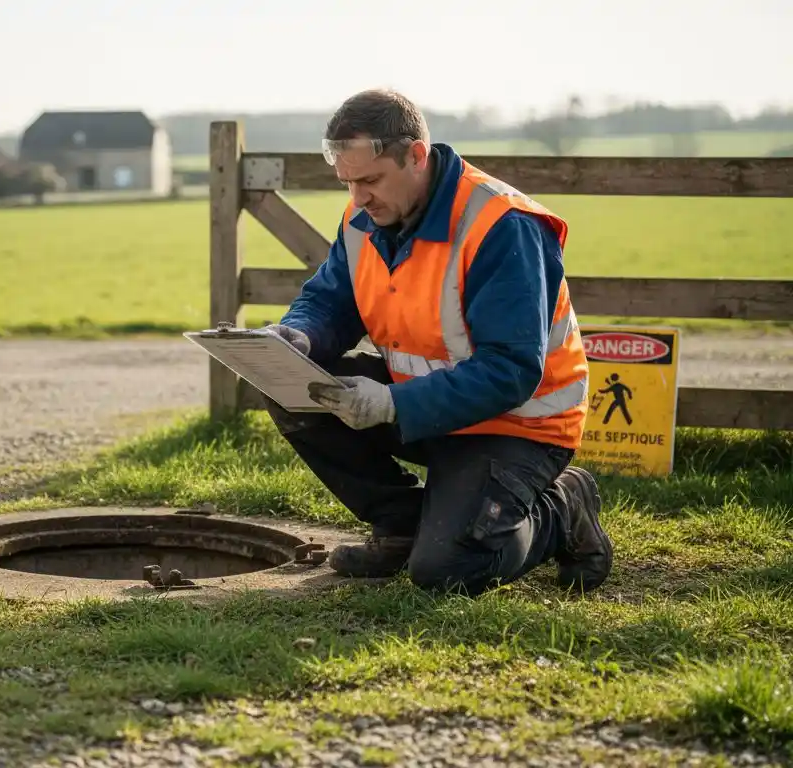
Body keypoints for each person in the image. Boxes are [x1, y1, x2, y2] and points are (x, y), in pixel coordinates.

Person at [263, 88, 613, 597]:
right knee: (289, 386)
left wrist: (392, 403)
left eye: (370, 180)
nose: (358, 197)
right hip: (426, 406)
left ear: (416, 156)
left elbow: (510, 371)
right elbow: (331, 300)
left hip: (519, 426)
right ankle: (401, 524)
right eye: (347, 182)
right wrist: (300, 335)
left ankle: (565, 506)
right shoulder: (364, 217)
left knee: (446, 571)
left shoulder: (503, 226)